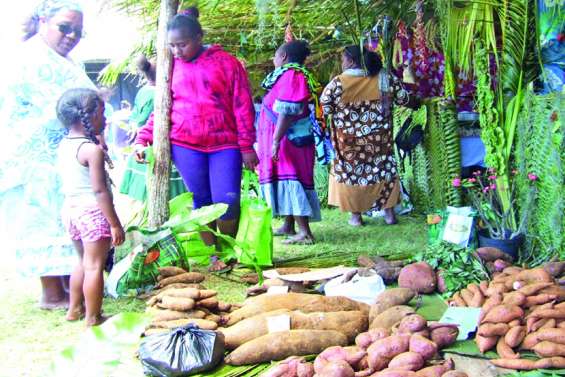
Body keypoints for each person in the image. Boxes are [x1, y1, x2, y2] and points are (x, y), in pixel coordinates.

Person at [134, 8, 258, 271]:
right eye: (172, 45)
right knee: (202, 201)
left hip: (225, 144)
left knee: (228, 200)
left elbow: (242, 106)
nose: (177, 50)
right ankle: (214, 255)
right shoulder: (169, 68)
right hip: (185, 145)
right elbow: (162, 109)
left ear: (199, 37)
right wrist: (143, 138)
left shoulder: (227, 63)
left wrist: (247, 146)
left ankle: (227, 249)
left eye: (183, 44)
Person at [0, 0, 96, 309]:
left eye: (78, 31)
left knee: (64, 220)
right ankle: (52, 294)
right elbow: (61, 107)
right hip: (34, 158)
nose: (71, 36)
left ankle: (69, 287)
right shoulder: (30, 58)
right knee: (43, 221)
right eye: (64, 27)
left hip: (60, 155)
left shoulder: (66, 60)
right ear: (43, 20)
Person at [56, 88, 125, 326]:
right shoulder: (91, 150)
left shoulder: (65, 144)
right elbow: (99, 191)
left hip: (71, 211)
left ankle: (74, 309)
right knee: (95, 266)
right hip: (92, 212)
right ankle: (93, 317)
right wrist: (115, 224)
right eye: (102, 113)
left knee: (82, 261)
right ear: (91, 115)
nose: (105, 119)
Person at [320, 45, 410, 226]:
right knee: (384, 171)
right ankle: (389, 215)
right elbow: (403, 98)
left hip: (349, 144)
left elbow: (326, 107)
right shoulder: (384, 78)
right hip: (379, 141)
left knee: (353, 175)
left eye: (343, 60)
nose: (342, 63)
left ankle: (356, 217)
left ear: (351, 61)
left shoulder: (338, 83)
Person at [257, 40, 322, 245]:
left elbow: (287, 110)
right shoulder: (288, 75)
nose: (273, 59)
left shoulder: (293, 75)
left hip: (288, 140)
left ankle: (305, 233)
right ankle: (289, 224)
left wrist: (276, 140)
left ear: (283, 57)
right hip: (283, 137)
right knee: (285, 178)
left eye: (275, 55)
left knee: (291, 178)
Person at [119, 55, 187, 203]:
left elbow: (137, 117)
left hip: (142, 141)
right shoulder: (158, 94)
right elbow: (149, 120)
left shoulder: (144, 91)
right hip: (154, 142)